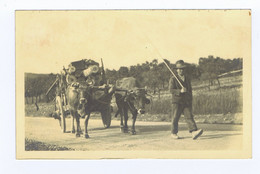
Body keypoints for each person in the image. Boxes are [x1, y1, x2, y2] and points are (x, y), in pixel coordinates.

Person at [169, 60, 203, 140]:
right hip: (177, 102)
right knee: (175, 117)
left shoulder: (187, 78)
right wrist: (179, 91)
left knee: (189, 116)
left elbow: (190, 90)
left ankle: (193, 132)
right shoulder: (173, 79)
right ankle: (173, 133)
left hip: (186, 101)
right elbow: (171, 90)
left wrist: (190, 99)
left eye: (182, 69)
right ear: (176, 70)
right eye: (179, 69)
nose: (181, 70)